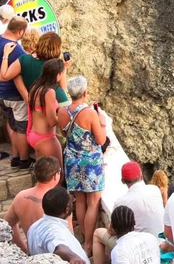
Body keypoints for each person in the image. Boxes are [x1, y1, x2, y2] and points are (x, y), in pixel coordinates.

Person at [58, 75, 106, 255]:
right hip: (91, 163)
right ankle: (87, 244)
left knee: (80, 200)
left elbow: (64, 134)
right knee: (93, 202)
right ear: (85, 92)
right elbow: (101, 140)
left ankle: (83, 243)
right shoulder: (90, 113)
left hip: (72, 160)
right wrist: (101, 122)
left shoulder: (62, 112)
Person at [93, 161, 164, 264]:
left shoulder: (121, 202)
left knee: (98, 233)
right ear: (141, 176)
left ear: (122, 181)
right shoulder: (155, 189)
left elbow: (112, 229)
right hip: (159, 243)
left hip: (138, 248)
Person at [4, 156, 62, 253]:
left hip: (34, 253)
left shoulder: (20, 196)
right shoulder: (58, 201)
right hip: (56, 256)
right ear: (55, 176)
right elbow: (69, 235)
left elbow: (7, 225)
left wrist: (23, 248)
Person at [2, 31, 72, 108]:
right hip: (57, 102)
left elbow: (4, 76)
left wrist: (5, 55)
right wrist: (64, 67)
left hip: (36, 104)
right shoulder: (55, 64)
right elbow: (63, 88)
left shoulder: (24, 59)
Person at [27, 186, 89, 264]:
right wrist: (73, 257)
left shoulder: (33, 227)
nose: (73, 202)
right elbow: (59, 247)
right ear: (67, 210)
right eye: (71, 200)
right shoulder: (54, 230)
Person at [0, 16, 31, 168]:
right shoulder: (17, 50)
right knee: (21, 128)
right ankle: (23, 160)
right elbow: (18, 77)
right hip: (15, 96)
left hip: (2, 94)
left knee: (11, 124)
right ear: (20, 31)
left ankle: (15, 155)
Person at [27, 59, 65, 169]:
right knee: (57, 174)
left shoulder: (35, 88)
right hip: (46, 138)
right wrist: (66, 117)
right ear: (58, 74)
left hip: (34, 135)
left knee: (44, 175)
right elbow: (52, 121)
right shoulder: (49, 92)